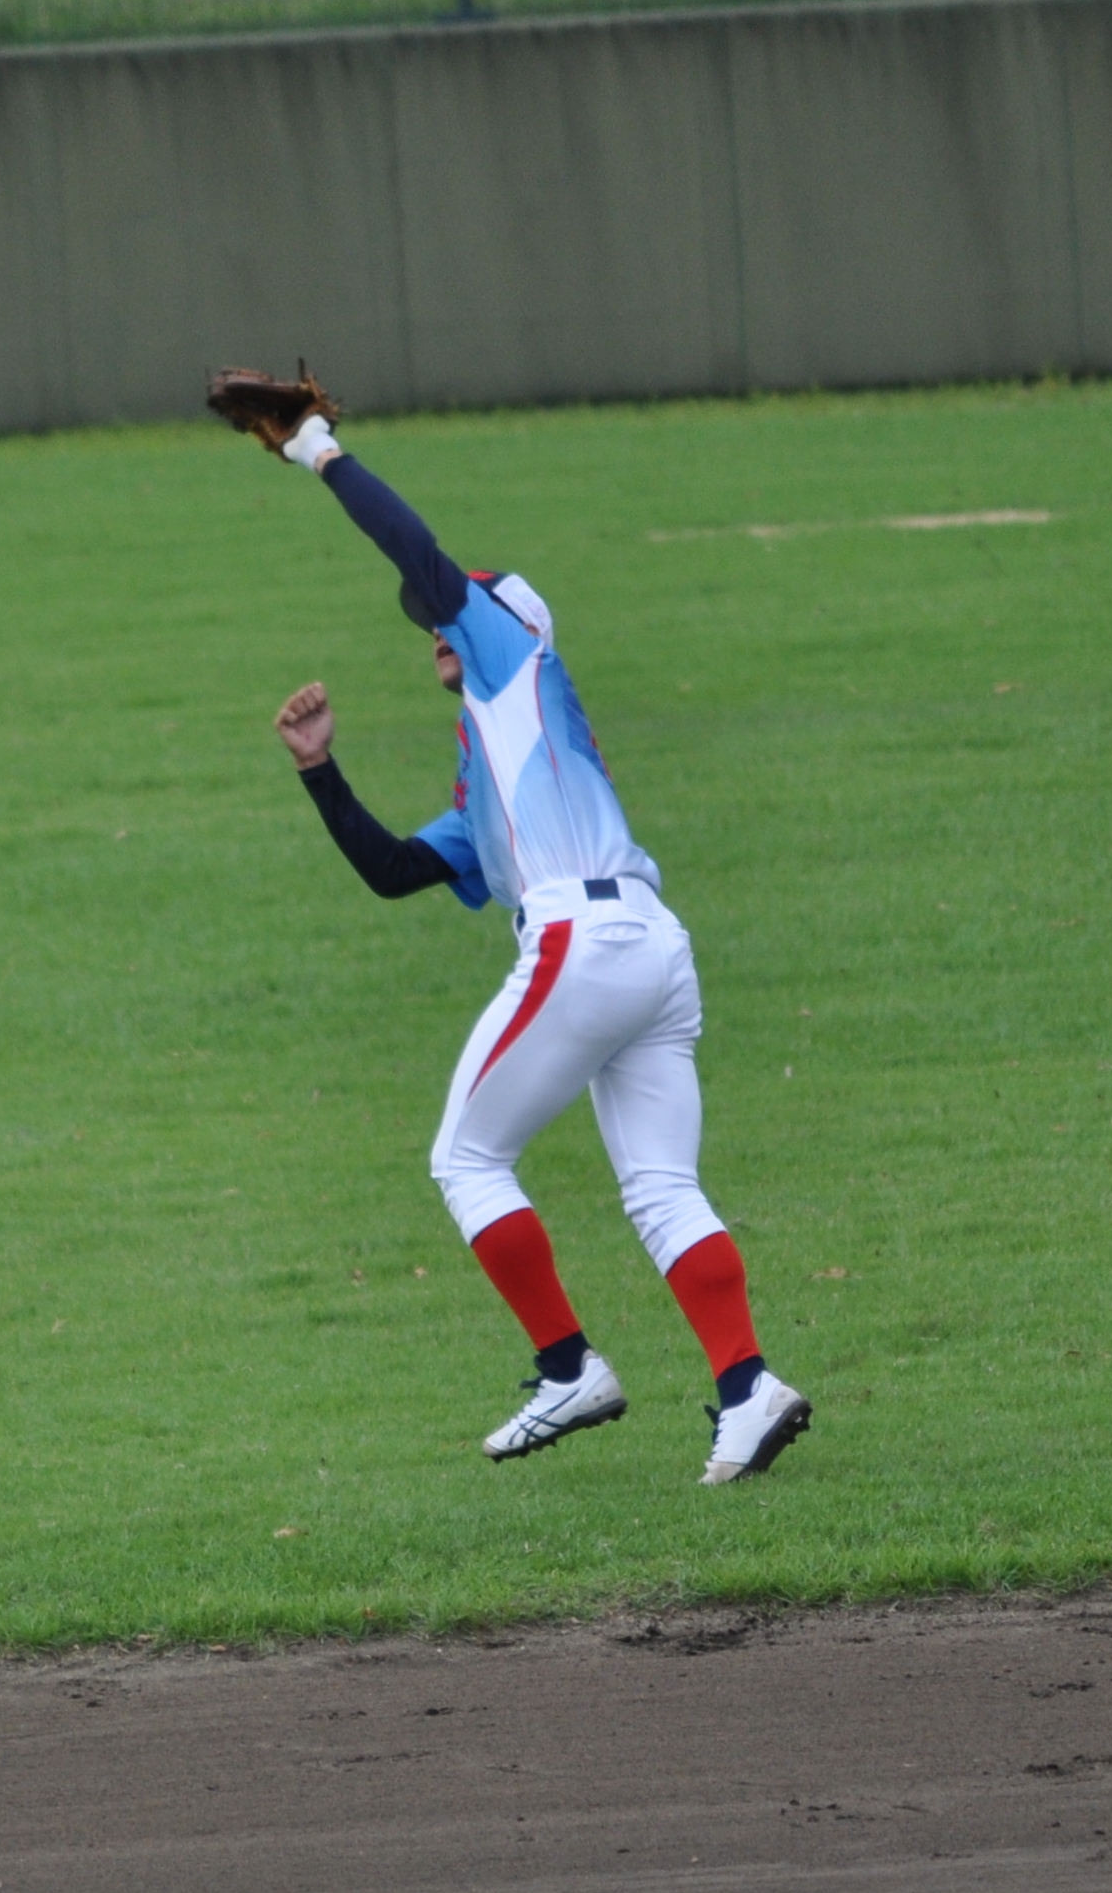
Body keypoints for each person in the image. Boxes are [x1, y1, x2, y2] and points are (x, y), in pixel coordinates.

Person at [254, 405, 809, 1485]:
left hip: (586, 941)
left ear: (507, 624)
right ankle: (748, 1389)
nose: (436, 625)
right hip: (652, 951)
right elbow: (393, 870)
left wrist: (317, 449)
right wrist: (318, 769)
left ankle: (568, 1368)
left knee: (464, 1159)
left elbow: (416, 552)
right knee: (662, 1188)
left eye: (453, 613)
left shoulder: (517, 660)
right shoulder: (494, 769)